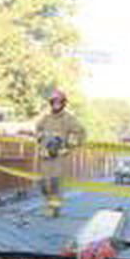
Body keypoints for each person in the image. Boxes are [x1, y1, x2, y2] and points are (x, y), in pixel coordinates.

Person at [33, 88, 86, 218]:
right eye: (54, 102)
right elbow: (37, 130)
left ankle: (54, 209)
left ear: (63, 103)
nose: (56, 104)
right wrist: (40, 138)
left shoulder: (68, 119)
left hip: (59, 158)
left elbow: (81, 132)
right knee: (44, 184)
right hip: (45, 156)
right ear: (51, 103)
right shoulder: (45, 119)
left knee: (55, 183)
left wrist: (69, 146)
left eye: (59, 102)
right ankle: (49, 204)